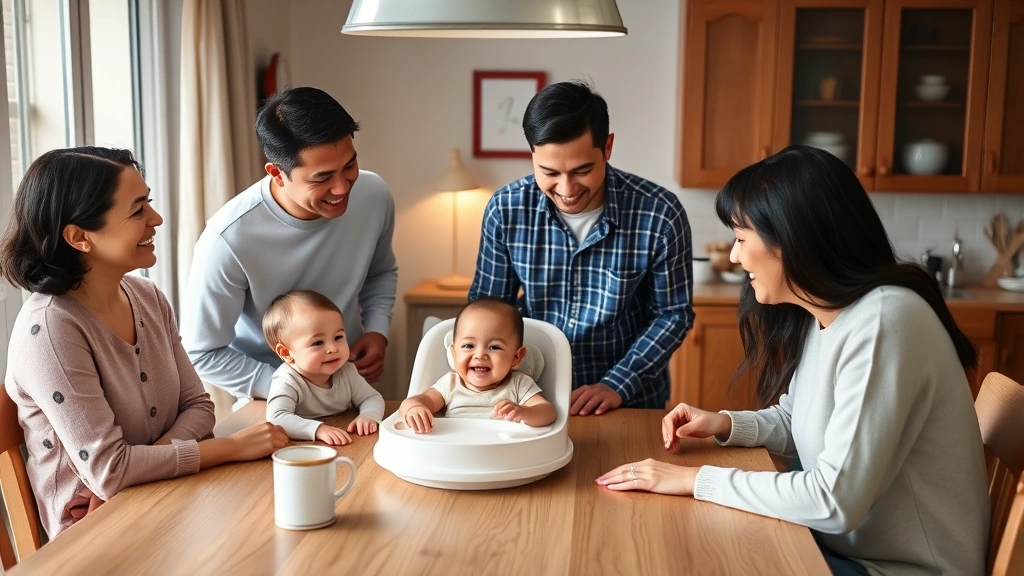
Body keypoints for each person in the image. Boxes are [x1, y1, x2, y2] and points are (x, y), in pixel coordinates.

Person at [597, 146, 989, 576]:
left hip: (897, 567)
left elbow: (833, 501)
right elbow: (801, 419)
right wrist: (726, 423)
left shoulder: (883, 322)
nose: (734, 256)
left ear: (792, 239)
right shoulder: (829, 315)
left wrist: (694, 480)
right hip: (843, 548)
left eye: (742, 239)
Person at [0, 147, 288, 538]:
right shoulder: (51, 331)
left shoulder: (148, 297)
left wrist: (135, 470)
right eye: (137, 211)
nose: (156, 219)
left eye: (147, 203)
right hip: (94, 537)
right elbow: (112, 471)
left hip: (166, 501)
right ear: (79, 237)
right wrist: (230, 448)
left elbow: (199, 408)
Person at [469, 80, 693, 415]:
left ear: (607, 148)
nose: (566, 189)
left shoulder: (659, 213)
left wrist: (618, 383)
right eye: (549, 172)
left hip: (627, 401)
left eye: (582, 170)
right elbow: (487, 308)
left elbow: (672, 314)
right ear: (532, 154)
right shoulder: (506, 209)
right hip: (528, 395)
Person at [181, 86, 398, 401]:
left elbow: (381, 272)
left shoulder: (374, 195)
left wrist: (378, 331)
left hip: (353, 390)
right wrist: (296, 389)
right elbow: (202, 353)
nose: (342, 187)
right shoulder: (227, 239)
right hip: (271, 401)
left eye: (349, 166)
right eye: (322, 178)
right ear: (277, 174)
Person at [400, 299, 556, 433]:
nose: (480, 355)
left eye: (494, 347)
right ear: (454, 353)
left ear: (516, 357)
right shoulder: (450, 384)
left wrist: (525, 412)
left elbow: (548, 412)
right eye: (469, 345)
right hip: (456, 453)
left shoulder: (519, 384)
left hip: (503, 455)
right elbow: (417, 400)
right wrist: (414, 409)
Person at [263, 290, 385, 445]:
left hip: (345, 434)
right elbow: (277, 418)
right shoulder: (287, 380)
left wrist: (369, 415)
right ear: (286, 353)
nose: (333, 348)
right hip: (304, 448)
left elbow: (372, 397)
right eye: (318, 343)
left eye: (338, 337)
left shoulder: (347, 372)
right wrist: (318, 429)